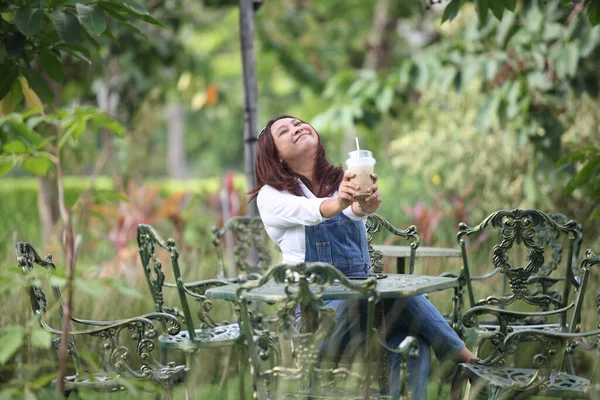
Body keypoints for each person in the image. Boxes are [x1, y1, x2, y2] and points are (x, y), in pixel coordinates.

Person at [249, 115, 475, 399]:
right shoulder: (271, 196)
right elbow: (312, 211)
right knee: (394, 292)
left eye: (299, 124)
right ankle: (469, 362)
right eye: (285, 131)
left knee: (412, 342)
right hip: (316, 327)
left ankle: (463, 366)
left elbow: (346, 212)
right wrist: (341, 202)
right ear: (277, 156)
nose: (296, 128)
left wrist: (364, 206)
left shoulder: (340, 182)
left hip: (367, 317)